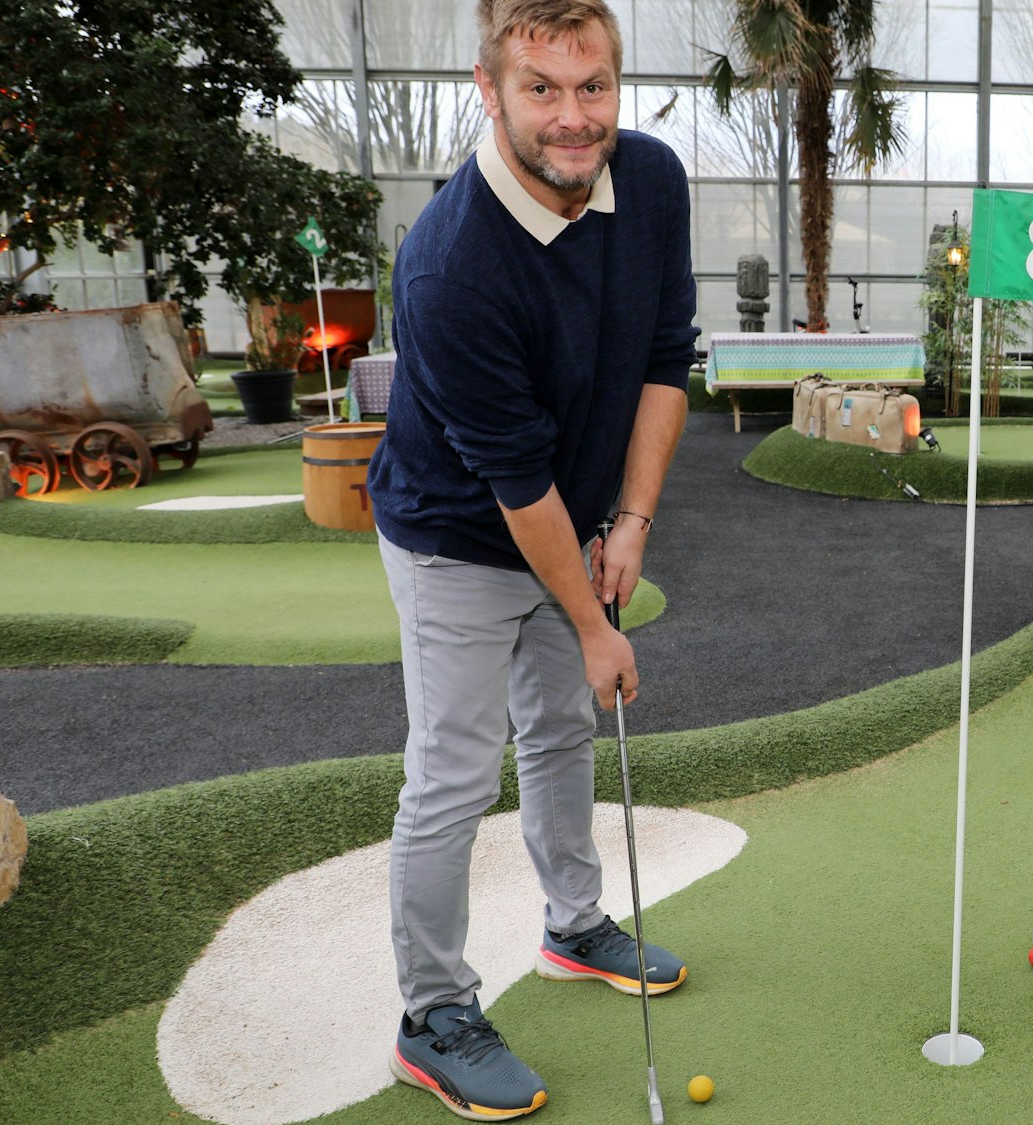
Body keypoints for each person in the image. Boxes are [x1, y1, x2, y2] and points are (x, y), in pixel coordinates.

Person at [365, 0, 696, 1117]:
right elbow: (512, 483)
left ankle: (572, 925)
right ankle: (432, 1014)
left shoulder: (649, 181)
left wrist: (632, 525)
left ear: (617, 83)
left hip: (581, 513)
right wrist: (598, 624)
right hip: (455, 533)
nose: (572, 117)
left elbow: (662, 362)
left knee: (560, 729)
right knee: (453, 772)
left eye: (592, 86)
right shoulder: (449, 264)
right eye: (542, 90)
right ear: (489, 88)